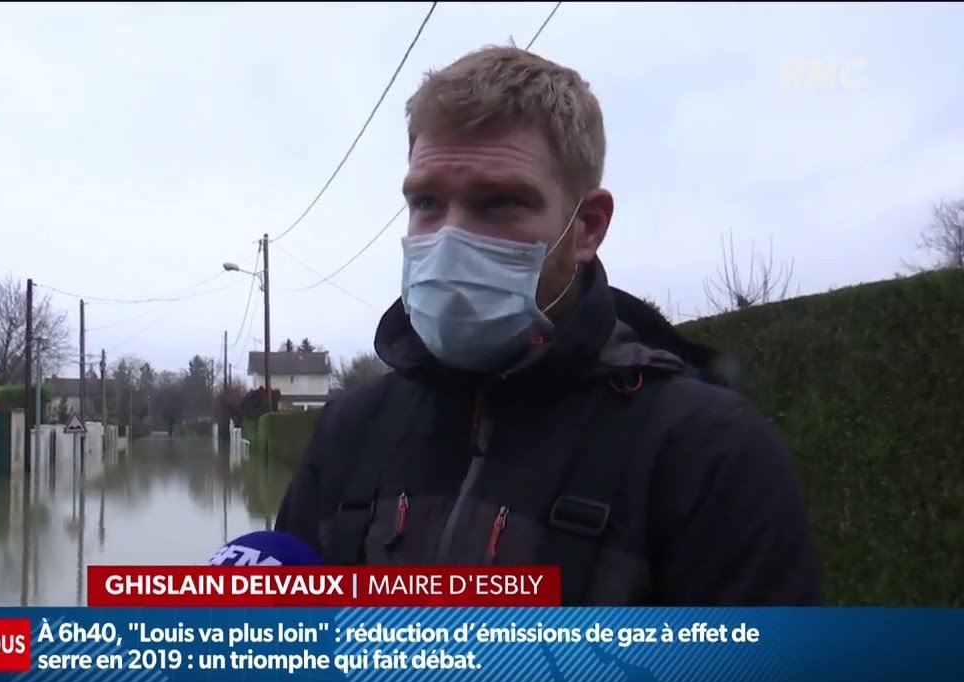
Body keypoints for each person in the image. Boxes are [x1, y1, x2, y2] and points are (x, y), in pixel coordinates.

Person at [273, 46, 822, 606]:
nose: (449, 239)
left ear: (587, 227)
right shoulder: (353, 430)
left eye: (499, 202)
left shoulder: (708, 454)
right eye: (427, 202)